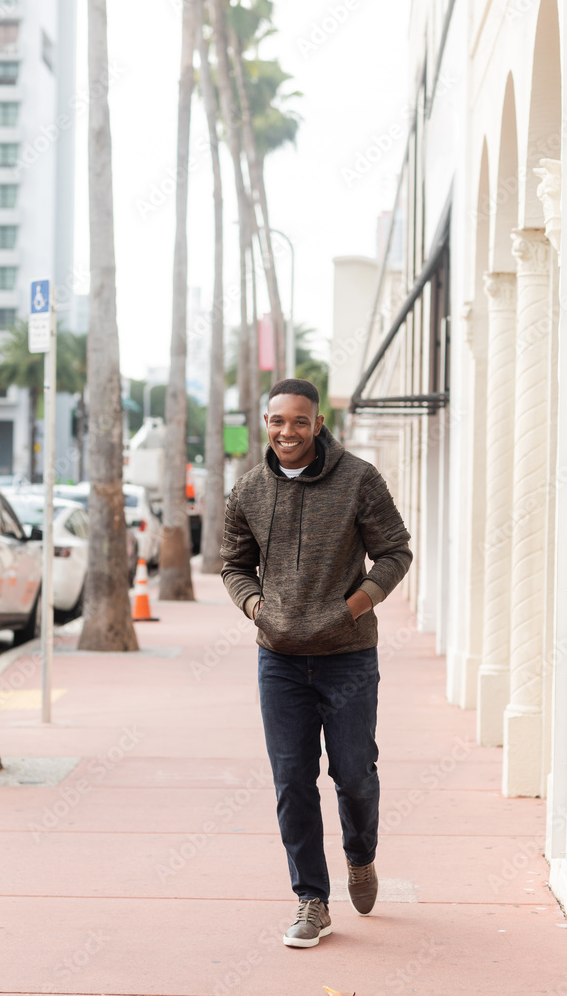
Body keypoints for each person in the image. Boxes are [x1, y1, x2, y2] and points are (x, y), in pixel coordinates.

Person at [220, 378, 412, 948]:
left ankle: (360, 856)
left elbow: (395, 550)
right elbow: (233, 564)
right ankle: (312, 900)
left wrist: (353, 608)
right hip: (279, 662)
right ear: (266, 423)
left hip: (347, 657)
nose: (287, 431)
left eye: (298, 421)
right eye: (277, 421)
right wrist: (258, 608)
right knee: (293, 781)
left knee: (354, 774)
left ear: (318, 423)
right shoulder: (248, 490)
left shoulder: (359, 479)